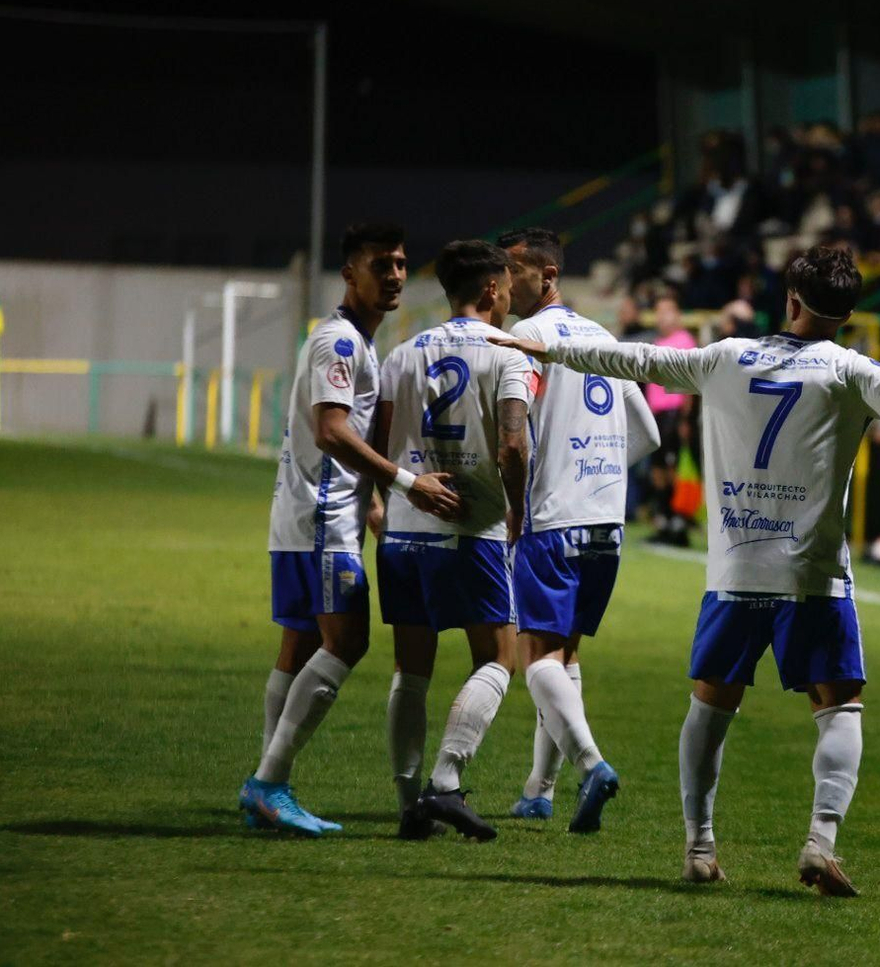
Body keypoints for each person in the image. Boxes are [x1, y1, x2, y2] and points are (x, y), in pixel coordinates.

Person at [497, 245, 880, 895]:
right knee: (840, 705)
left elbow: (634, 359)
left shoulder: (724, 357)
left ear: (792, 300)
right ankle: (820, 841)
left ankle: (699, 846)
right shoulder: (850, 371)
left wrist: (543, 348)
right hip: (812, 574)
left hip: (736, 570)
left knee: (710, 705)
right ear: (848, 313)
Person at [239, 222, 461, 836]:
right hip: (320, 524)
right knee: (348, 642)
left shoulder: (353, 343)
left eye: (399, 264)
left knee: (300, 647)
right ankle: (269, 782)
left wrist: (371, 501)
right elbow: (332, 431)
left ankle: (266, 784)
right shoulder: (340, 343)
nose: (393, 275)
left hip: (310, 517)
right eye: (380, 264)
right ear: (349, 272)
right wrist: (408, 483)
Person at [498, 227, 661, 830]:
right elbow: (647, 433)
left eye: (513, 268)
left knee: (534, 653)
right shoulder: (601, 336)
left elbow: (515, 430)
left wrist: (534, 487)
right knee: (564, 654)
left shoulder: (528, 335)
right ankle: (539, 789)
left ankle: (592, 765)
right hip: (604, 524)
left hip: (552, 517)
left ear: (547, 275)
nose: (503, 280)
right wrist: (603, 474)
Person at [373, 240, 534, 841]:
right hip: (471, 529)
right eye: (507, 283)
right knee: (498, 657)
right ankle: (445, 782)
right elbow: (513, 445)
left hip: (403, 527)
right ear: (491, 289)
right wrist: (516, 507)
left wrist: (387, 495)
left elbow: (382, 443)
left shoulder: (402, 353)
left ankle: (408, 803)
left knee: (410, 670)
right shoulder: (506, 354)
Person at [645, 295, 697, 546]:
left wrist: (686, 418)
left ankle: (679, 525)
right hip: (656, 414)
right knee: (657, 471)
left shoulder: (684, 341)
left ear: (677, 315)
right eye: (659, 312)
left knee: (671, 469)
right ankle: (664, 521)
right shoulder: (657, 342)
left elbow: (689, 383)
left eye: (667, 312)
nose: (662, 317)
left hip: (673, 414)